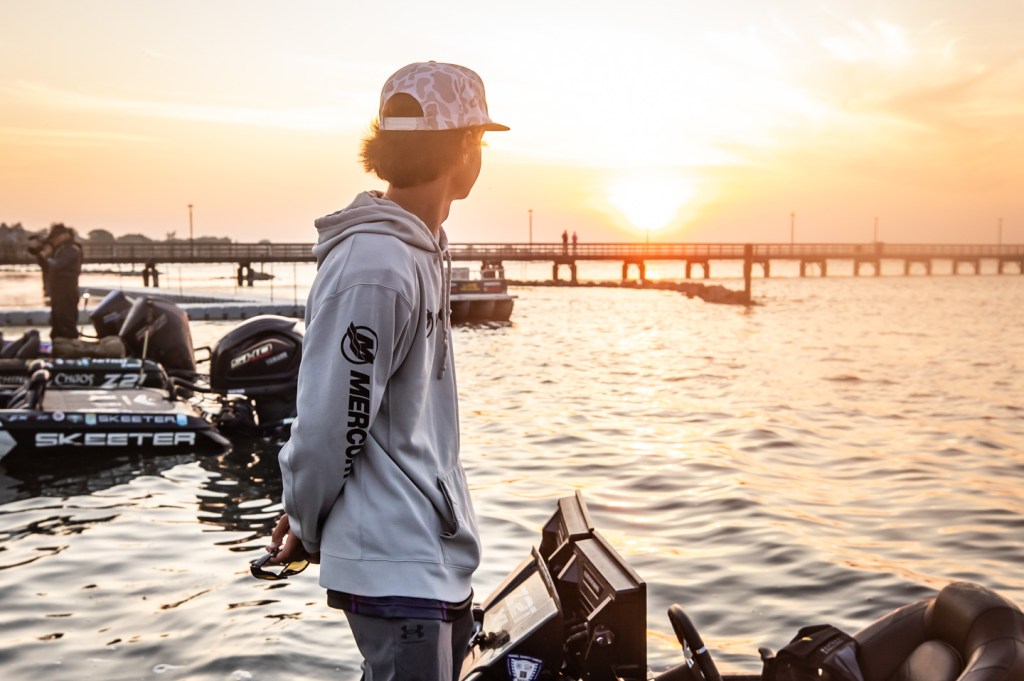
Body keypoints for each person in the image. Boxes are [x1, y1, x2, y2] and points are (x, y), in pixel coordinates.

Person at [264, 62, 508, 681]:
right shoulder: (375, 264)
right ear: (463, 148)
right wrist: (305, 521)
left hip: (431, 560)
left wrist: (304, 516)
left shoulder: (421, 250)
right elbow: (327, 427)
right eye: (479, 140)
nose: (481, 155)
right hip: (398, 571)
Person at [36, 223, 82, 339]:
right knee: (57, 326)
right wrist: (41, 256)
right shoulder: (60, 250)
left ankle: (71, 346)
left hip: (67, 293)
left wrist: (46, 256)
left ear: (64, 235)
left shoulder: (71, 249)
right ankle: (59, 346)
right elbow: (47, 268)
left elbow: (56, 266)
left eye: (55, 237)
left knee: (66, 325)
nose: (53, 240)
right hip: (58, 293)